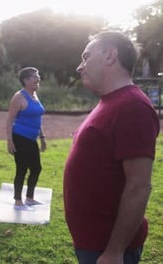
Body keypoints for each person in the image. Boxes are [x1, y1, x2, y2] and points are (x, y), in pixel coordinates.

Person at [63, 31, 159, 263]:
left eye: (86, 57)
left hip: (108, 250)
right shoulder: (111, 102)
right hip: (94, 243)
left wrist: (115, 251)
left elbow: (138, 186)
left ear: (109, 55)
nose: (80, 66)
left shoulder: (132, 107)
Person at [6, 66, 47, 211]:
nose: (38, 78)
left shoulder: (35, 96)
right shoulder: (19, 97)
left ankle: (29, 198)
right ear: (26, 80)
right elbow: (10, 120)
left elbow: (38, 118)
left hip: (32, 139)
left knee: (36, 168)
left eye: (38, 76)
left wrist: (42, 137)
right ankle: (18, 201)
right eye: (35, 76)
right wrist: (9, 141)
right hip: (20, 138)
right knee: (22, 169)